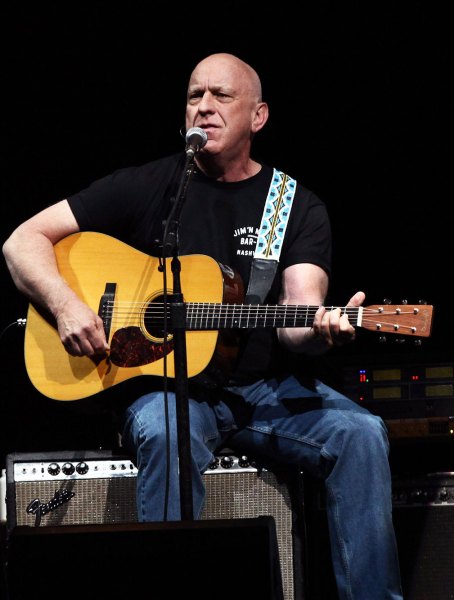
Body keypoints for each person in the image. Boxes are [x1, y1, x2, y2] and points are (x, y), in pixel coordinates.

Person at [3, 52, 404, 599]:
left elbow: (297, 315)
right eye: (195, 96)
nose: (205, 108)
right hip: (169, 391)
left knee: (361, 434)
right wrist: (67, 305)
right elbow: (21, 240)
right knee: (169, 432)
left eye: (221, 96)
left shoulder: (292, 206)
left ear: (257, 117)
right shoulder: (151, 186)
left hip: (267, 391)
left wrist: (323, 328)